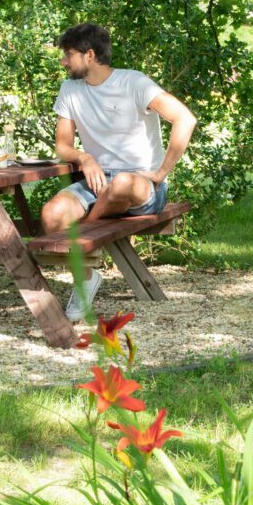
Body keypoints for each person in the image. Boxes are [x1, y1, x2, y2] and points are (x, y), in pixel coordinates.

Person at [41, 23, 197, 321]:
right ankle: (85, 279)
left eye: (68, 54)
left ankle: (85, 238)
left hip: (141, 186)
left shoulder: (134, 83)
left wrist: (160, 173)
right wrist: (84, 157)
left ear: (89, 55)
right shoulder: (70, 89)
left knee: (123, 182)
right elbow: (62, 146)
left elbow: (185, 119)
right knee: (52, 214)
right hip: (97, 182)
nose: (63, 61)